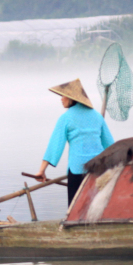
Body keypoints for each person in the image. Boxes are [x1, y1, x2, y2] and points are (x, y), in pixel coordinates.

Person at [34, 79, 114, 207]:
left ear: (72, 98)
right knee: (98, 207)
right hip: (99, 169)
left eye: (63, 95)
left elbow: (55, 146)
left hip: (78, 170)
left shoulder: (66, 118)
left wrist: (41, 170)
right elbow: (110, 145)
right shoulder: (97, 116)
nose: (61, 99)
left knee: (75, 208)